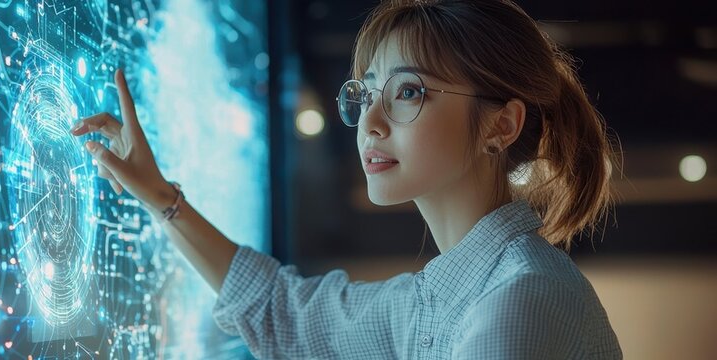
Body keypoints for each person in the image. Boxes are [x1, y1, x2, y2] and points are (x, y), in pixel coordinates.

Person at [69, 0, 623, 358]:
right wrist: (161, 197)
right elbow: (283, 311)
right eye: (366, 94)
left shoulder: (516, 301)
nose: (370, 123)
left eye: (408, 92)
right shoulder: (439, 298)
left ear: (501, 125)